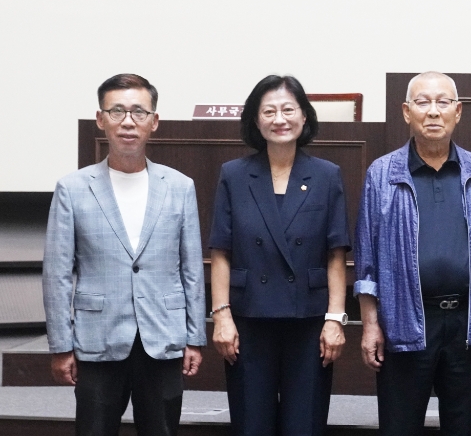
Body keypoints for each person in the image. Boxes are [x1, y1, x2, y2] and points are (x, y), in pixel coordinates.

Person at [43, 73, 204, 436]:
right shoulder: (72, 188)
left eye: (138, 112)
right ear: (101, 119)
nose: (128, 121)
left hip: (162, 336)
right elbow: (57, 274)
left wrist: (194, 337)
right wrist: (61, 345)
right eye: (117, 111)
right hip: (96, 337)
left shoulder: (180, 186)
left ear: (154, 121)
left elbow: (191, 269)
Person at [353, 71, 471, 435]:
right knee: (399, 426)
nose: (433, 111)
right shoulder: (382, 173)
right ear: (407, 112)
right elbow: (367, 259)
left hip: (466, 323)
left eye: (443, 102)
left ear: (457, 111)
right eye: (423, 102)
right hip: (403, 322)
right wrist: (370, 325)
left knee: (465, 427)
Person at [208, 75, 350, 435]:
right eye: (269, 111)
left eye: (288, 109)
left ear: (304, 116)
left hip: (309, 321)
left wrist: (336, 319)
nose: (279, 119)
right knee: (251, 424)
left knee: (305, 424)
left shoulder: (326, 175)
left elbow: (335, 254)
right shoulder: (234, 175)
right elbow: (221, 251)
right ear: (256, 121)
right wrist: (221, 316)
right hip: (248, 319)